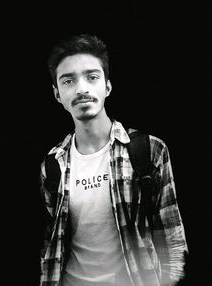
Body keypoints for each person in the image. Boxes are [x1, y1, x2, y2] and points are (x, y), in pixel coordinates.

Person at [39, 34, 188, 286]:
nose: (81, 88)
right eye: (68, 81)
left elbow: (173, 242)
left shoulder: (148, 150)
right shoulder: (53, 164)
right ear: (57, 94)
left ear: (107, 86)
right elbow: (51, 246)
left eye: (92, 77)